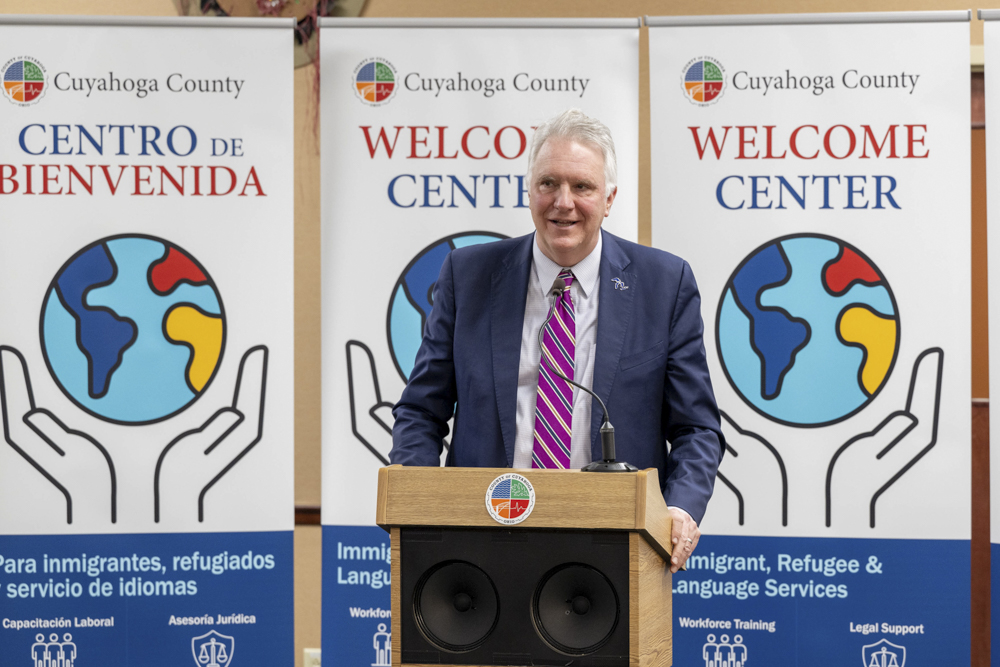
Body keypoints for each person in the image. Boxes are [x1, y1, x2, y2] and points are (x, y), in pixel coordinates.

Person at [390, 109, 724, 572]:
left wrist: (679, 510)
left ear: (608, 199)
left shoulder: (663, 284)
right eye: (548, 184)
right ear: (529, 193)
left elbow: (696, 429)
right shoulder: (467, 276)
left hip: (614, 547)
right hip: (478, 544)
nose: (562, 202)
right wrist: (420, 504)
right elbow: (420, 411)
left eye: (582, 187)